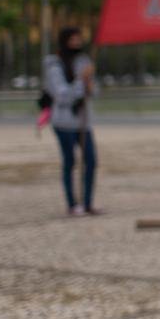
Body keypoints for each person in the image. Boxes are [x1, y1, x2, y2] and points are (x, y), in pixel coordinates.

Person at [44, 27, 101, 216]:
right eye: (73, 39)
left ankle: (87, 203)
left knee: (91, 161)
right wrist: (80, 81)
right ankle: (72, 204)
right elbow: (61, 95)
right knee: (70, 162)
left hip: (84, 123)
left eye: (79, 39)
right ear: (64, 41)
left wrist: (90, 84)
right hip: (64, 122)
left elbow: (94, 91)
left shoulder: (84, 61)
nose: (77, 43)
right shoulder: (54, 65)